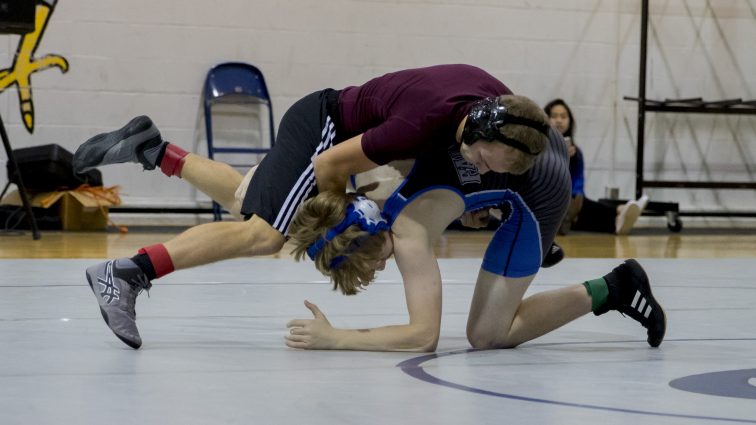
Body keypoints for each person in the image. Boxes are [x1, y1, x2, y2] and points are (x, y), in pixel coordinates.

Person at [73, 64, 550, 349]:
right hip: (328, 131)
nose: (488, 169)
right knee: (267, 234)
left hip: (341, 130)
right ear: (482, 130)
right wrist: (341, 216)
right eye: (488, 159)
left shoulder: (496, 110)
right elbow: (329, 164)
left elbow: (452, 163)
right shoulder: (424, 122)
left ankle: (153, 150)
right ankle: (129, 272)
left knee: (251, 203)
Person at [284, 107, 666, 352]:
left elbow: (423, 337)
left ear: (364, 241)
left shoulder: (408, 235)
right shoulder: (387, 181)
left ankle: (616, 287)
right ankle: (534, 250)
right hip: (529, 137)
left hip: (541, 189)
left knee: (486, 335)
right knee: (478, 201)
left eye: (368, 267)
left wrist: (338, 339)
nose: (379, 271)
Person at [543, 99, 649, 235]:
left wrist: (576, 197)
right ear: (547, 118)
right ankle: (619, 211)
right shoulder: (541, 149)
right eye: (554, 116)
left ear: (570, 121)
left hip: (571, 200)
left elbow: (578, 182)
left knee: (581, 207)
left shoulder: (576, 153)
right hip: (552, 200)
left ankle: (617, 221)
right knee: (583, 208)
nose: (559, 120)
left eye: (563, 116)